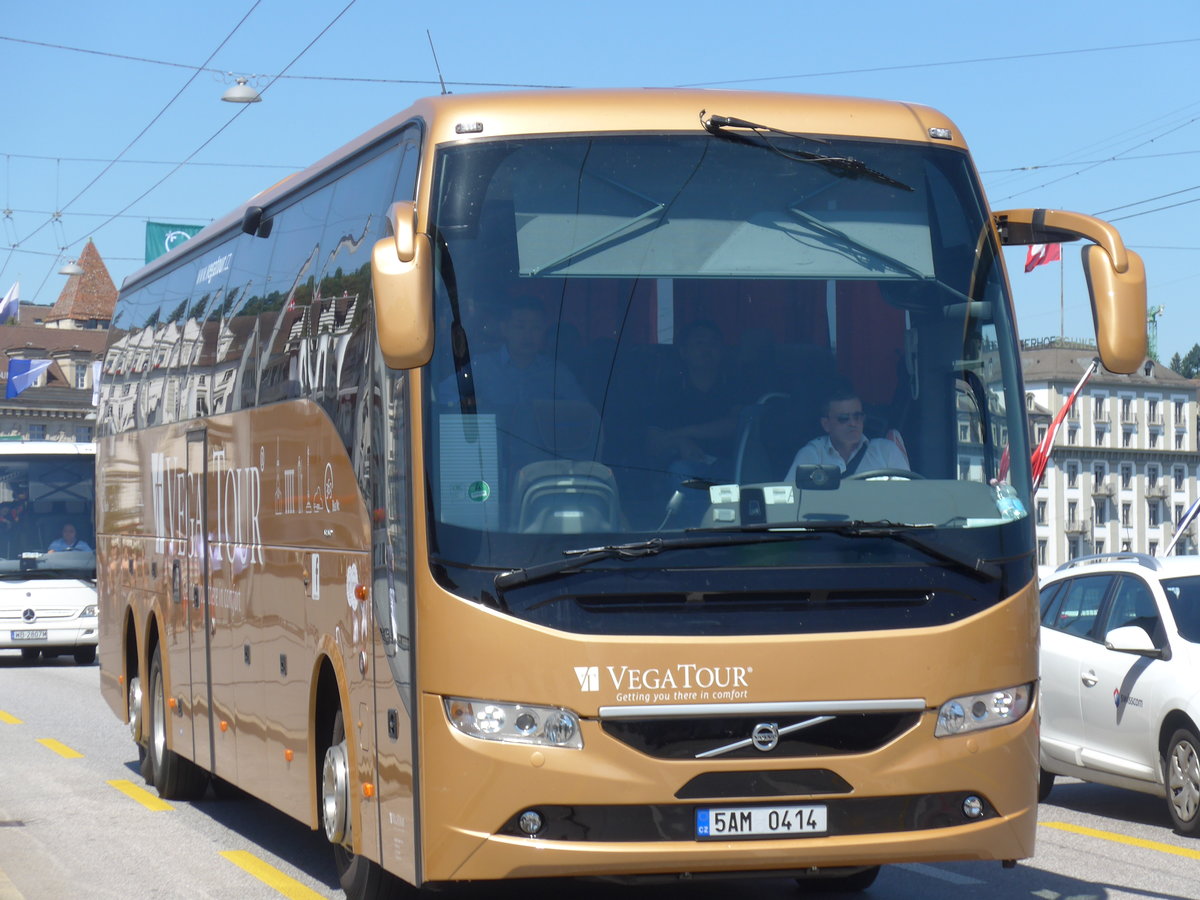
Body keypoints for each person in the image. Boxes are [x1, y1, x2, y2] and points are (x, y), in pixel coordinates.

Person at [786, 386, 908, 478]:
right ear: (826, 424)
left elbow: (908, 498)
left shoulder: (886, 451)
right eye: (844, 418)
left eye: (858, 416)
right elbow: (789, 500)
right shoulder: (811, 455)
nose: (853, 423)